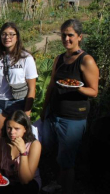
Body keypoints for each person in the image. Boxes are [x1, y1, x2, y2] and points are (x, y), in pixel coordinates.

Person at [41, 19, 99, 194]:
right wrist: (44, 108)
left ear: (79, 37)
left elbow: (94, 91)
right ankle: (56, 184)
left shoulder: (86, 60)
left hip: (73, 117)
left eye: (70, 35)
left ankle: (67, 189)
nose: (66, 38)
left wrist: (77, 87)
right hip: (54, 114)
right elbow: (51, 84)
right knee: (51, 153)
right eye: (64, 35)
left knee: (66, 161)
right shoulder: (59, 58)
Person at [0, 22, 38, 137]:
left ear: (17, 37)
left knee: (15, 137)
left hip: (17, 102)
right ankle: (0, 156)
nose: (7, 37)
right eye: (4, 34)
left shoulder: (26, 58)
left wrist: (27, 113)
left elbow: (32, 88)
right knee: (1, 136)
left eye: (11, 34)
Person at [0, 110, 42, 194]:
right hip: (7, 181)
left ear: (25, 129)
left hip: (27, 185)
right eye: (9, 128)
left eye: (16, 128)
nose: (11, 132)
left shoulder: (34, 145)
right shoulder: (1, 141)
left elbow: (26, 180)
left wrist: (23, 153)